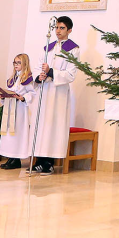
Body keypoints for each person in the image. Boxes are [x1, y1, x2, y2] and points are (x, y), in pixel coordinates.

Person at [30, 16, 80, 175]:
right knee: (41, 124)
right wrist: (39, 76)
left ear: (69, 30)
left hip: (58, 93)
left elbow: (71, 74)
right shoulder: (48, 47)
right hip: (44, 91)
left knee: (53, 126)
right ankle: (38, 160)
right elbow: (37, 67)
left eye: (62, 28)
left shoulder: (73, 49)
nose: (58, 31)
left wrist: (51, 71)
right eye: (57, 27)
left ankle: (49, 163)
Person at [0, 53, 35, 170]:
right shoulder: (12, 79)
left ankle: (16, 158)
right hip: (9, 108)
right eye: (14, 62)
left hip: (20, 110)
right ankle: (10, 157)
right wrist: (3, 96)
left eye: (18, 62)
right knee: (8, 133)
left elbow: (32, 93)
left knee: (17, 133)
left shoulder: (27, 79)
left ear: (25, 64)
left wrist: (23, 98)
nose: (16, 65)